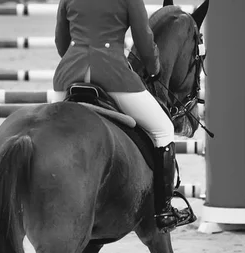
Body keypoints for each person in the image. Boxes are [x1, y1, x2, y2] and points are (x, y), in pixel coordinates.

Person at [52, 0, 196, 233]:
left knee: (49, 129)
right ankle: (163, 210)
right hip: (111, 73)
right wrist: (153, 68)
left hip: (69, 74)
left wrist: (75, 57)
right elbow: (143, 39)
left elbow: (61, 41)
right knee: (163, 130)